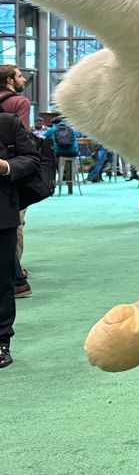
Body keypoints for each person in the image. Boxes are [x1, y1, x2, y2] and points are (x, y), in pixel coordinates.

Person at [0, 112, 40, 369]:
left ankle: (2, 341)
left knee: (2, 282)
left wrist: (5, 167)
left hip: (2, 215)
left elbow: (32, 159)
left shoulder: (7, 123)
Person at [0, 66, 32, 296]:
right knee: (15, 223)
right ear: (9, 80)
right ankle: (16, 275)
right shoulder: (19, 102)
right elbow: (23, 137)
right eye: (19, 75)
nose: (23, 79)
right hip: (11, 175)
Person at [46, 115, 79, 195]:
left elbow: (44, 136)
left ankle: (59, 178)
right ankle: (70, 186)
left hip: (60, 153)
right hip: (73, 153)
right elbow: (77, 136)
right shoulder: (71, 128)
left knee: (52, 160)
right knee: (68, 161)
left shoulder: (53, 129)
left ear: (54, 123)